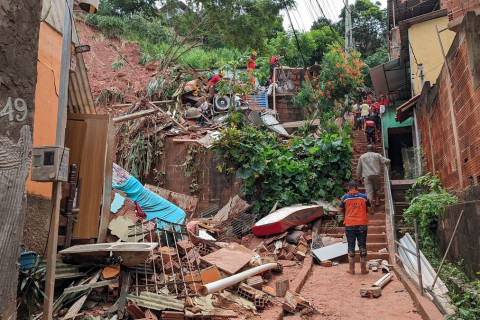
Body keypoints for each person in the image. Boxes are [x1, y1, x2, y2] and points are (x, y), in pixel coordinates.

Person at [338, 181, 373, 275]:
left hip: (350, 225)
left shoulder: (344, 198)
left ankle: (351, 269)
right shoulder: (365, 197)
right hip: (362, 224)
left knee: (351, 246)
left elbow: (340, 211)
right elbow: (370, 210)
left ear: (348, 188)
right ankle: (363, 269)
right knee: (362, 246)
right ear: (357, 187)